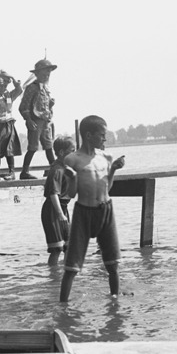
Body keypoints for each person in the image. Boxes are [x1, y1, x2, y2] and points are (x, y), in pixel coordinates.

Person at [59, 115, 125, 302]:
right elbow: (71, 194)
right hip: (84, 212)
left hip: (106, 210)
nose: (105, 139)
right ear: (88, 135)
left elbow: (107, 188)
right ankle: (63, 306)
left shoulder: (106, 157)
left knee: (113, 264)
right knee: (72, 267)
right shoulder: (72, 159)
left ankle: (114, 302)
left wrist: (113, 170)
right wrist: (72, 178)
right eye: (102, 135)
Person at [19, 59, 57, 180]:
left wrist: (50, 105)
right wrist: (28, 120)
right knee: (33, 147)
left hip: (45, 121)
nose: (47, 76)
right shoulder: (31, 88)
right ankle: (24, 171)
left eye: (48, 74)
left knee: (49, 146)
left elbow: (43, 106)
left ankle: (55, 169)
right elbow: (23, 107)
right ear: (37, 74)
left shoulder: (46, 88)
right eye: (44, 73)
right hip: (35, 121)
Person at [41, 134, 76, 266]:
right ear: (61, 153)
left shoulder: (66, 168)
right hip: (53, 210)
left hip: (63, 208)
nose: (74, 154)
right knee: (56, 249)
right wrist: (60, 214)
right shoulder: (57, 169)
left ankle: (65, 272)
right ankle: (53, 273)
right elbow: (53, 194)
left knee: (68, 246)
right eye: (72, 151)